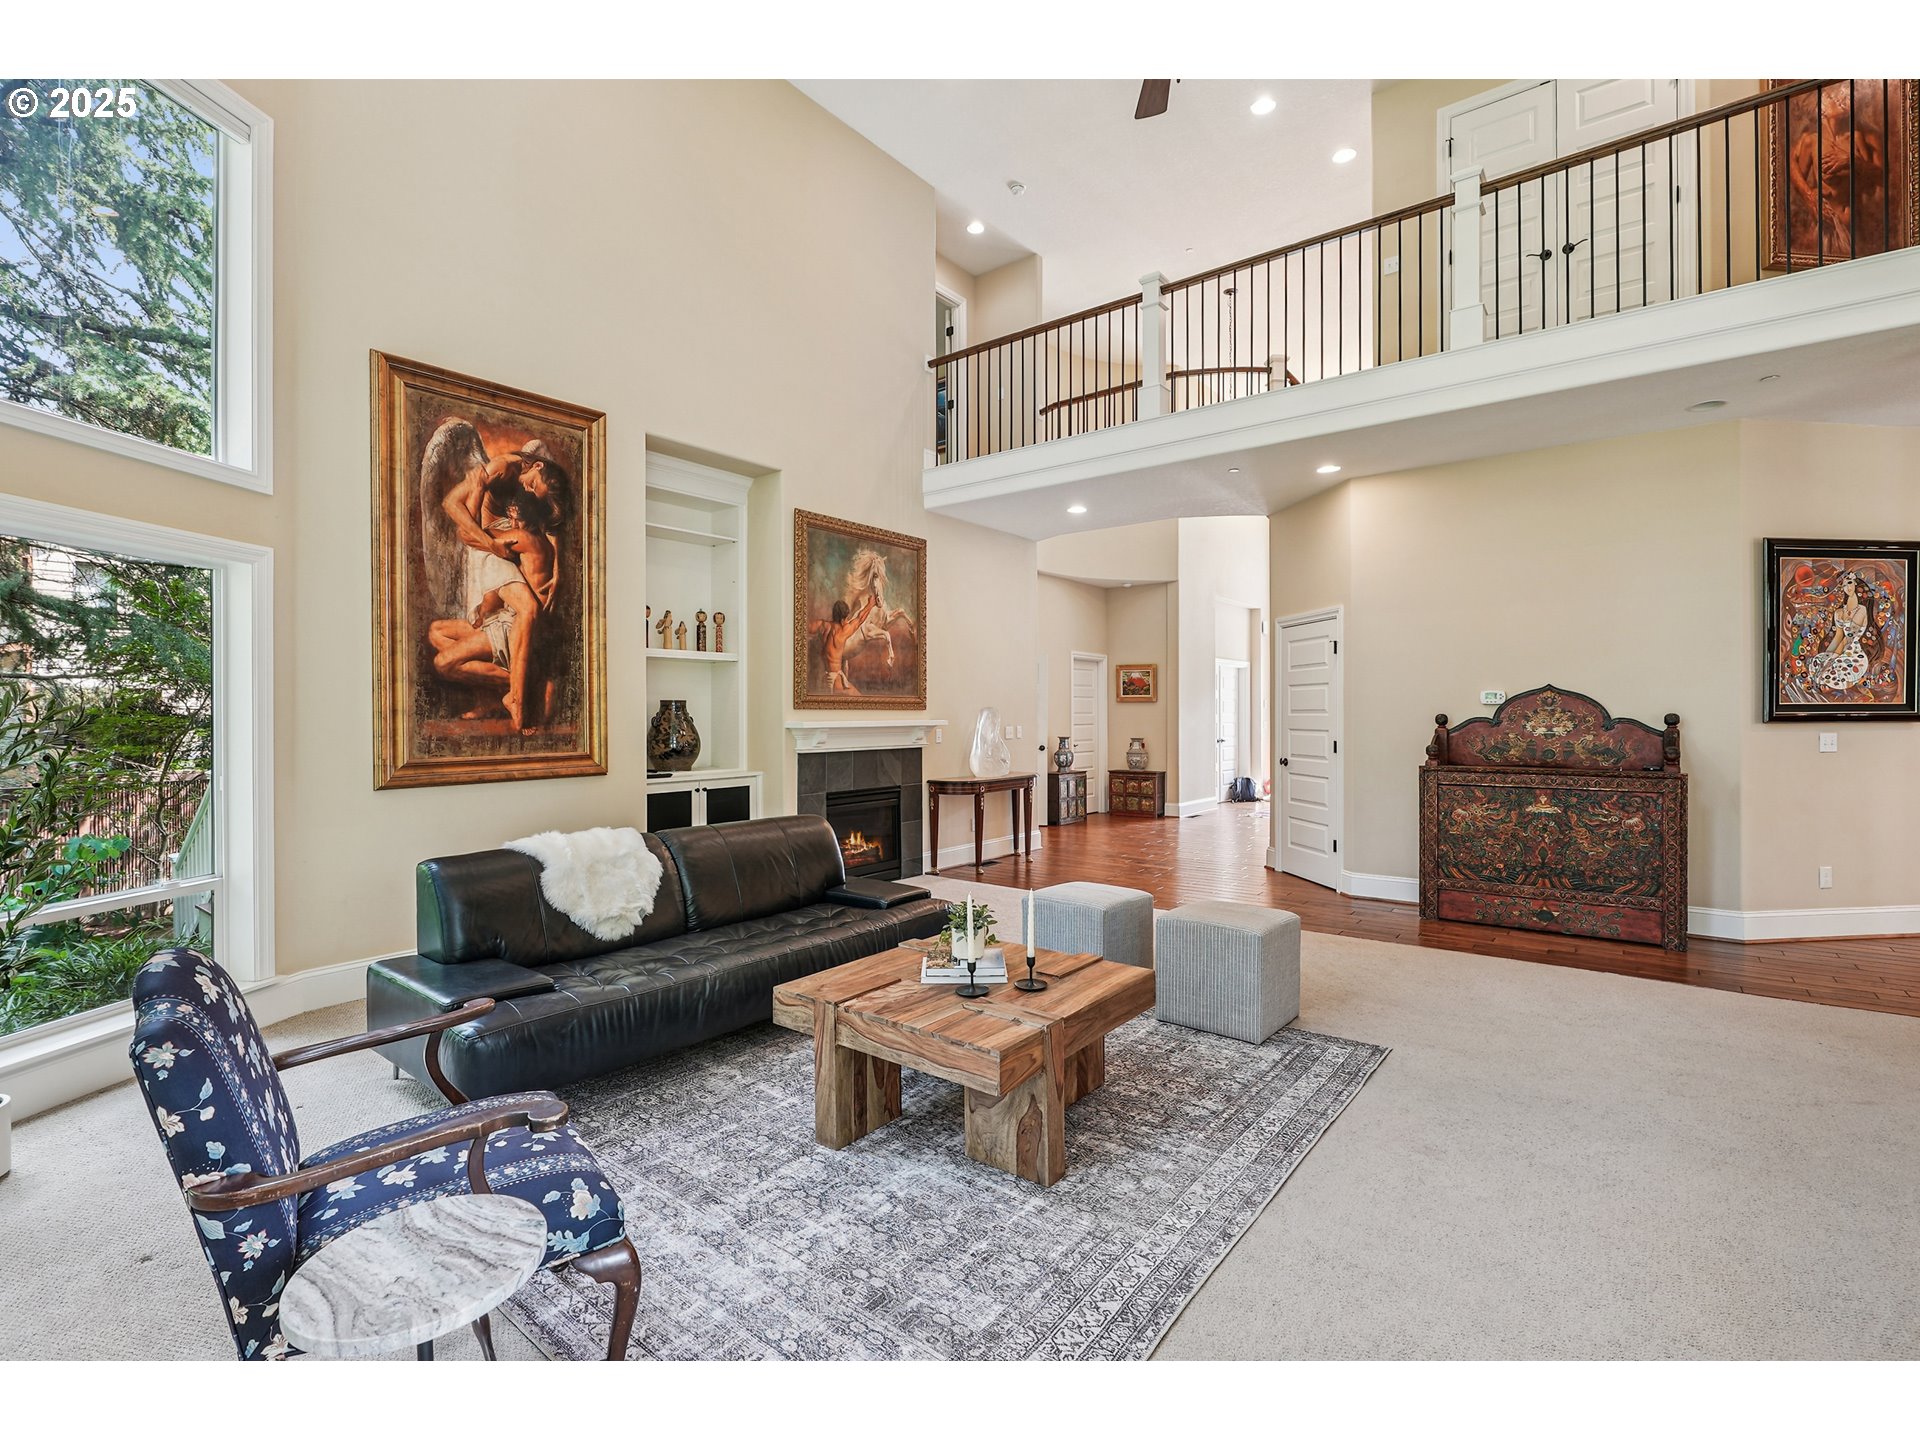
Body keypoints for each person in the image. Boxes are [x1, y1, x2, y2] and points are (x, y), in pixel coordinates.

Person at [428, 442, 571, 729]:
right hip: (488, 543)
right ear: (538, 466)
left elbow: (548, 525)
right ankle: (516, 687)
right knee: (437, 632)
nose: (527, 492)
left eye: (532, 495)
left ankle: (520, 694)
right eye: (531, 487)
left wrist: (559, 569)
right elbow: (452, 509)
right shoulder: (503, 469)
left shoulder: (524, 529)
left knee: (526, 609)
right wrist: (490, 543)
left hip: (498, 546)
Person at [1802, 570, 1879, 694]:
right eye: (1843, 585)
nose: (1847, 588)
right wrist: (1827, 656)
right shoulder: (1839, 612)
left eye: (1849, 583)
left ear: (1855, 583)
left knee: (1833, 669)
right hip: (1839, 649)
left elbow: (1848, 639)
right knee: (1819, 662)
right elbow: (1838, 636)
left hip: (1854, 654)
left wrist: (1833, 658)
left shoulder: (1862, 610)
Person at [814, 591, 879, 693]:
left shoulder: (822, 625)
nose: (847, 620)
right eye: (847, 618)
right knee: (860, 700)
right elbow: (860, 618)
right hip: (836, 680)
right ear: (843, 618)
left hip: (825, 678)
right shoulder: (843, 632)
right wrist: (871, 604)